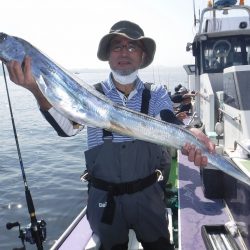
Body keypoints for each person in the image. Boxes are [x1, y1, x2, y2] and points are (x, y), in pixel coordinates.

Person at [6, 20, 215, 250]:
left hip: (149, 198)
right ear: (108, 55)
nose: (124, 52)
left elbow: (168, 118)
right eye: (117, 46)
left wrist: (188, 133)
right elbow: (67, 129)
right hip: (105, 200)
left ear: (142, 56)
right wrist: (36, 89)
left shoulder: (155, 93)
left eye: (132, 46)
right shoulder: (89, 95)